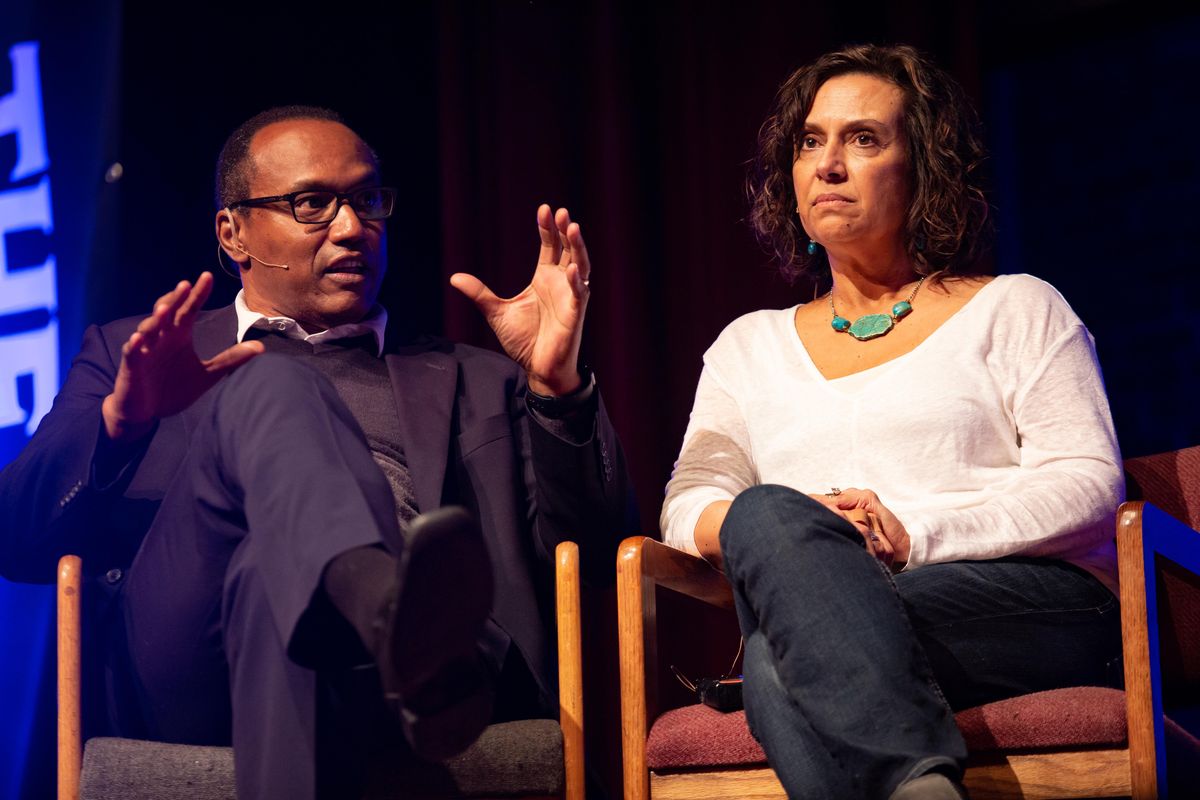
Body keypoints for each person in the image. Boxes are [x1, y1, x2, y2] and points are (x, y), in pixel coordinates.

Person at [0, 106, 634, 798]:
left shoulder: (477, 378)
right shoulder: (134, 355)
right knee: (270, 382)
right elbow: (17, 538)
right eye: (312, 204)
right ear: (232, 231)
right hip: (195, 661)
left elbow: (598, 553)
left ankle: (385, 618)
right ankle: (384, 601)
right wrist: (121, 421)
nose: (351, 227)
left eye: (367, 201)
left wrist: (556, 385)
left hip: (419, 681)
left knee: (271, 582)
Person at [661, 45, 1122, 800]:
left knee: (789, 647)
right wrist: (798, 534)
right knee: (769, 533)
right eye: (812, 142)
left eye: (863, 139)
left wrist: (911, 534)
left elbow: (1088, 483)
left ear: (923, 170)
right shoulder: (748, 348)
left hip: (1029, 605)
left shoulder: (1017, 308)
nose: (828, 165)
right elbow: (688, 506)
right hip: (836, 603)